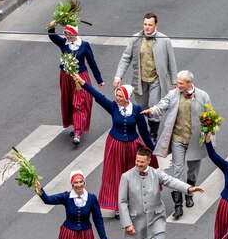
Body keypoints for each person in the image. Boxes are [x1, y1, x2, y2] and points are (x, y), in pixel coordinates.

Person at [118, 148, 203, 239]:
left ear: (149, 161)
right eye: (137, 161)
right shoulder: (126, 177)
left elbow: (171, 181)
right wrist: (127, 223)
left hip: (156, 218)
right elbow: (122, 202)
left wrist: (188, 188)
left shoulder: (156, 173)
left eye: (142, 162)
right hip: (135, 221)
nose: (138, 164)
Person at [71, 74, 156, 215]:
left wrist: (153, 149)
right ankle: (118, 205)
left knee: (132, 175)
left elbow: (144, 133)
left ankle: (132, 201)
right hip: (115, 146)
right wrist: (83, 83)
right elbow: (98, 96)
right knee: (115, 175)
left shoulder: (136, 111)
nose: (117, 98)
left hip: (131, 148)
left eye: (120, 96)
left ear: (127, 97)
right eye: (117, 95)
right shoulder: (113, 107)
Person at [142, 70, 212, 219]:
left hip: (195, 141)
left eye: (181, 83)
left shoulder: (203, 96)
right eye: (178, 82)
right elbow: (162, 105)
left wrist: (209, 134)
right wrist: (152, 111)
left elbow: (211, 117)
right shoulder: (174, 94)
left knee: (192, 171)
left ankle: (190, 192)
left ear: (189, 83)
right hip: (178, 140)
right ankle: (178, 205)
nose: (178, 85)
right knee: (177, 171)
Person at [114, 13, 179, 143]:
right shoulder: (136, 39)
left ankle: (153, 134)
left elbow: (171, 62)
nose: (147, 27)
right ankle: (144, 130)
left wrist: (174, 82)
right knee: (142, 107)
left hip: (156, 80)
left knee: (154, 106)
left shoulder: (164, 40)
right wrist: (118, 76)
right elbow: (126, 58)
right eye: (145, 24)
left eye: (150, 25)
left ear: (156, 25)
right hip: (140, 80)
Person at [48, 20, 103, 145]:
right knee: (68, 101)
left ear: (75, 34)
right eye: (66, 33)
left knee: (79, 102)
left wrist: (99, 79)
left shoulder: (84, 45)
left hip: (80, 76)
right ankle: (74, 124)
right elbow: (52, 36)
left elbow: (91, 62)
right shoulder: (63, 43)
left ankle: (78, 132)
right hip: (65, 76)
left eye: (70, 34)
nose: (67, 36)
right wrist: (51, 27)